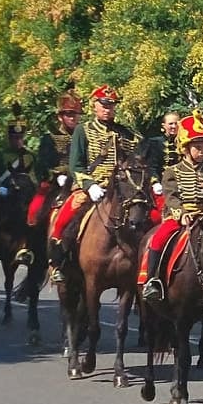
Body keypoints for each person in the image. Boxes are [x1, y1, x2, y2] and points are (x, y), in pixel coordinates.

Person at [47, 84, 140, 281]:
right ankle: (59, 262)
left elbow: (138, 157)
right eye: (103, 105)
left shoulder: (126, 133)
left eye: (111, 105)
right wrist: (90, 185)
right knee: (67, 217)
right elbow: (76, 166)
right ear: (94, 106)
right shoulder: (83, 130)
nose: (108, 109)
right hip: (92, 187)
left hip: (122, 189)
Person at [140, 113, 203, 301]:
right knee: (158, 239)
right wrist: (181, 214)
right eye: (197, 148)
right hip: (179, 218)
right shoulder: (172, 172)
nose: (202, 152)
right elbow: (170, 196)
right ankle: (153, 280)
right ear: (186, 149)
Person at [31, 87, 82, 225]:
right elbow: (42, 165)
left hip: (82, 180)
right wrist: (56, 176)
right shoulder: (50, 138)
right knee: (35, 210)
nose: (73, 117)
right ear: (60, 116)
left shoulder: (86, 136)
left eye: (76, 114)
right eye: (69, 114)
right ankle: (33, 243)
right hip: (57, 183)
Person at [141, 110, 181, 190]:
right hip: (163, 185)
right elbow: (151, 166)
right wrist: (155, 182)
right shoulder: (155, 142)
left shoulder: (185, 143)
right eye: (171, 124)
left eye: (176, 123)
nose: (174, 126)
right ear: (164, 126)